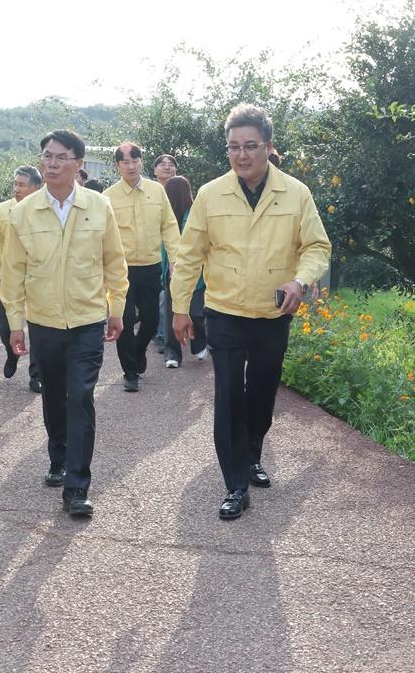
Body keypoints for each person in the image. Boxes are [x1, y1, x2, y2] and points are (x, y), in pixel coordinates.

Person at [171, 104, 330, 520]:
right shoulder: (211, 194)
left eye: (250, 146)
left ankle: (253, 452)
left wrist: (300, 281)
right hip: (224, 310)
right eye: (234, 147)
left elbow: (317, 246)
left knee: (261, 393)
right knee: (228, 395)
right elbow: (189, 256)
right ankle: (235, 484)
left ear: (268, 147)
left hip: (273, 312)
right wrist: (180, 308)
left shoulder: (296, 193)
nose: (241, 155)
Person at [1, 130, 128, 518]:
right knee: (54, 396)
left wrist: (117, 309)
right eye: (47, 156)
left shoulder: (99, 206)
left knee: (81, 396)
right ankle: (58, 456)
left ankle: (77, 486)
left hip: (87, 319)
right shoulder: (24, 212)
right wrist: (15, 324)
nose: (52, 163)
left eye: (60, 157)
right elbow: (12, 272)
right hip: (43, 322)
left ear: (78, 164)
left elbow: (114, 262)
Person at [104, 142, 180, 392]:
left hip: (150, 266)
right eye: (125, 162)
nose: (131, 166)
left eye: (135, 161)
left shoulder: (156, 191)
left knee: (151, 318)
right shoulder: (108, 196)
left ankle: (138, 351)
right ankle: (130, 372)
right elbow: (101, 235)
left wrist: (175, 259)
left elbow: (169, 226)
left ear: (142, 162)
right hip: (121, 270)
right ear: (117, 166)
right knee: (124, 320)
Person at [0, 165, 44, 392]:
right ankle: (11, 354)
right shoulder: (3, 208)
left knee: (38, 329)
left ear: (36, 187)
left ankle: (37, 375)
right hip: (10, 279)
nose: (16, 189)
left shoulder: (46, 210)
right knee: (5, 326)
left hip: (40, 280)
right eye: (15, 184)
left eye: (22, 185)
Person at [160, 175, 207, 368]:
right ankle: (172, 353)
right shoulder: (164, 216)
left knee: (195, 311)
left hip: (194, 272)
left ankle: (199, 343)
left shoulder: (195, 213)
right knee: (172, 313)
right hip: (171, 271)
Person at [152, 154, 179, 348]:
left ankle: (164, 333)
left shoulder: (180, 189)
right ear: (155, 170)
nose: (167, 167)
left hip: (172, 246)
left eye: (171, 164)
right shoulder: (150, 191)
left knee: (167, 291)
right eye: (162, 164)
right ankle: (157, 328)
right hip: (152, 247)